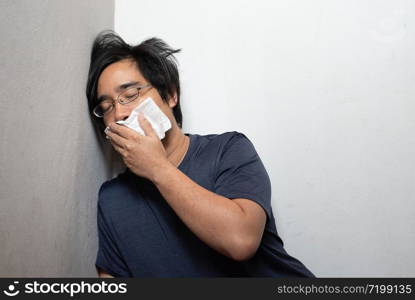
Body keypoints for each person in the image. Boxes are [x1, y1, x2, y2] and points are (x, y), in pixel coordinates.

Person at [86, 30, 315, 278]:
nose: (119, 113)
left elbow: (240, 241)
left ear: (171, 94)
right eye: (106, 107)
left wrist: (156, 168)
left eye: (130, 95)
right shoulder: (112, 199)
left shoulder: (228, 150)